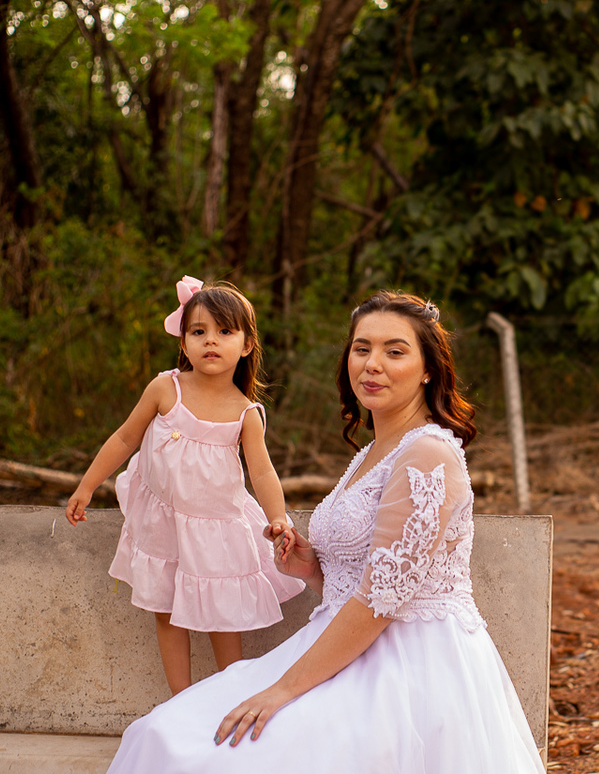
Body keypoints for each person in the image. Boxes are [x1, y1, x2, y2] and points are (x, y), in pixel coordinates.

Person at [105, 290, 545, 773]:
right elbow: (365, 576)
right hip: (341, 645)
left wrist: (282, 690)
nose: (372, 364)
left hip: (406, 666)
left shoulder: (427, 456)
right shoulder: (372, 454)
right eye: (362, 349)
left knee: (206, 754)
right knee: (162, 730)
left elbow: (381, 601)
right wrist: (313, 567)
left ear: (428, 369)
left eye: (395, 352)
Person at [66, 276, 304, 695]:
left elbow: (262, 472)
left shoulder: (245, 412)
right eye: (198, 332)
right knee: (165, 608)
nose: (210, 340)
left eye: (225, 331)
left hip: (217, 527)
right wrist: (87, 486)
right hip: (163, 519)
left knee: (222, 615)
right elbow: (125, 437)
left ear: (246, 345)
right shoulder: (166, 388)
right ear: (184, 341)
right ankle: (181, 701)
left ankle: (231, 698)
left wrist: (278, 518)